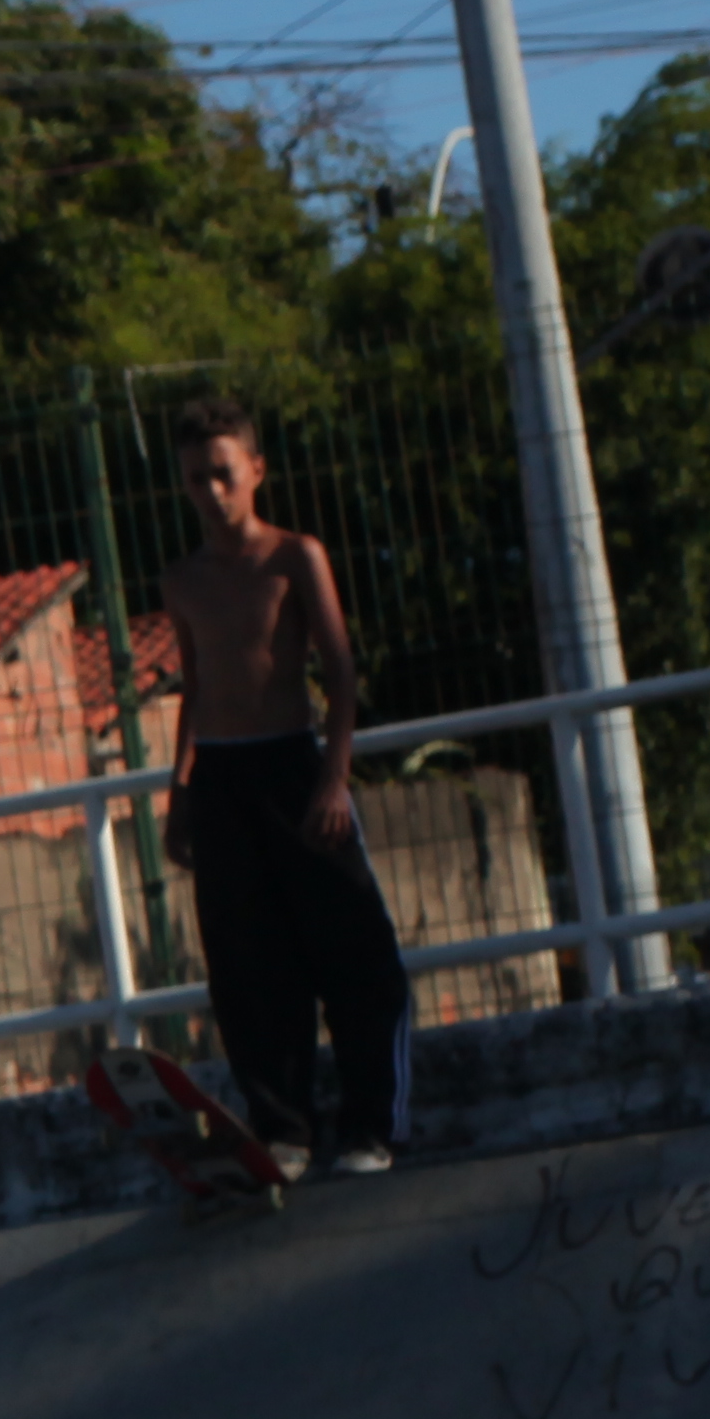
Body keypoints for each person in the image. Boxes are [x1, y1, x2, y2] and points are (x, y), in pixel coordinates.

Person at [158, 390, 410, 1176]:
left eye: (225, 474)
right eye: (198, 479)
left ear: (257, 470)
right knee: (248, 967)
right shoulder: (183, 580)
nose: (213, 492)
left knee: (355, 954)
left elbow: (338, 670)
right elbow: (194, 690)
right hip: (222, 780)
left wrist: (333, 781)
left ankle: (372, 1128)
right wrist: (181, 792)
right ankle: (284, 1132)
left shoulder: (295, 556)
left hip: (294, 765)